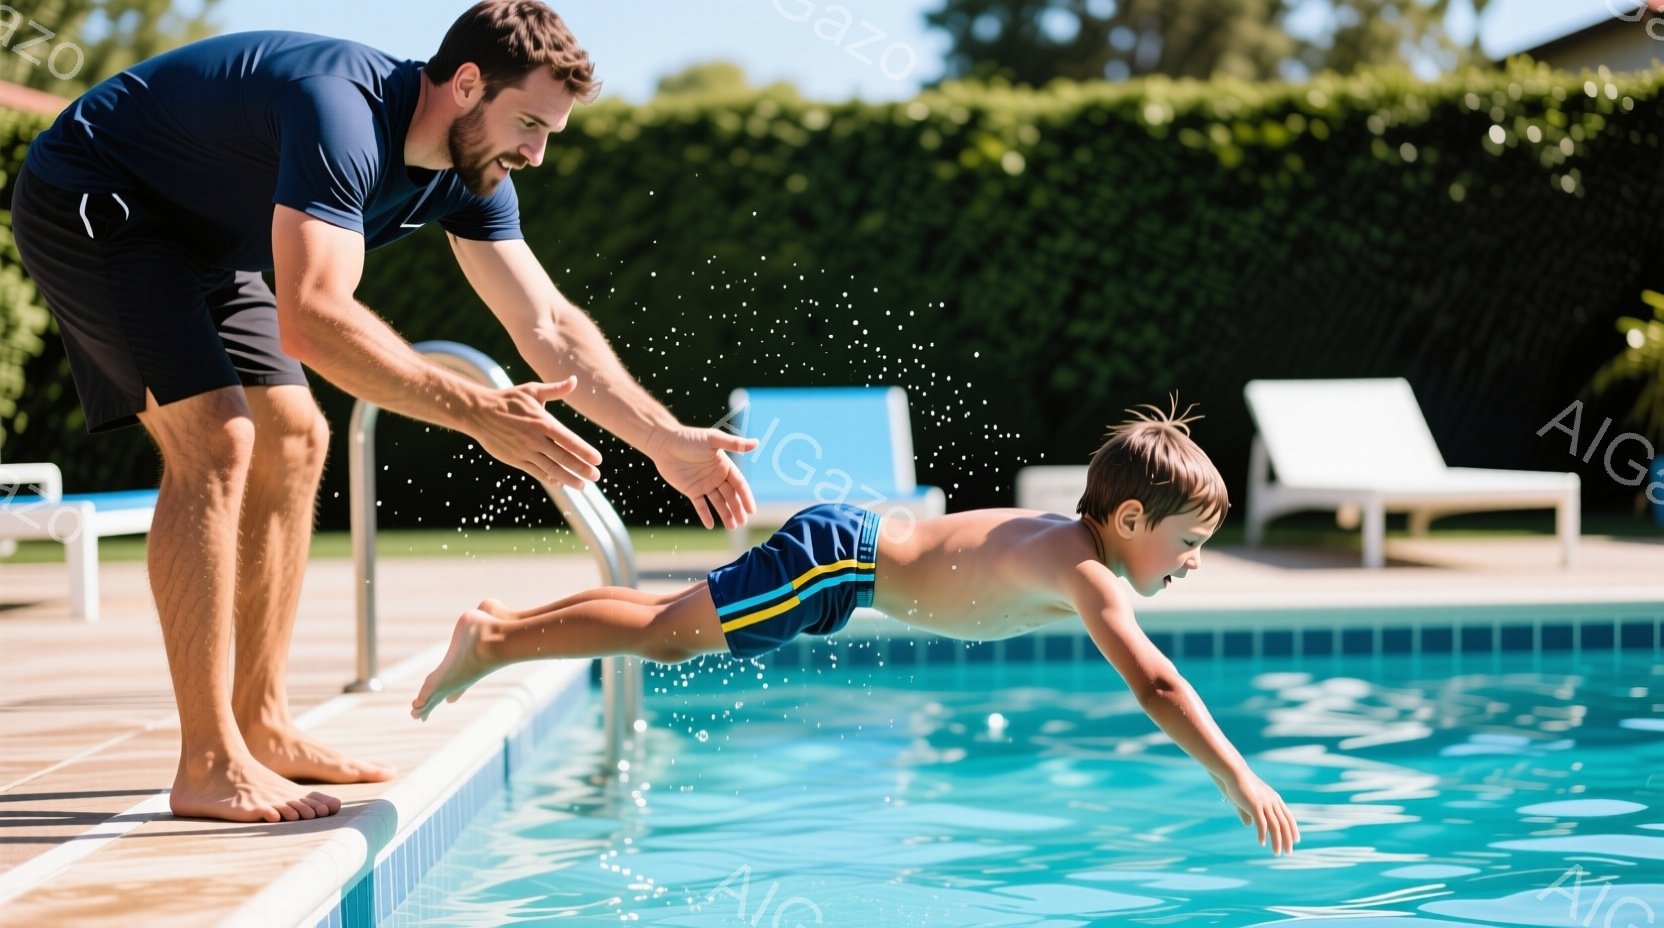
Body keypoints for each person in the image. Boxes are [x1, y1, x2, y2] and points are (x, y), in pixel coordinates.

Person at [10, 0, 757, 825]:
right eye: (528, 124)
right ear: (466, 84)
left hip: (207, 247)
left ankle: (263, 722)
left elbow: (545, 323)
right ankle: (209, 762)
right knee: (218, 439)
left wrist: (661, 438)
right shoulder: (342, 114)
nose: (536, 154)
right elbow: (312, 315)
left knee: (298, 438)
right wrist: (477, 411)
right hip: (98, 197)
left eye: (550, 133)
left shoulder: (472, 172)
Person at [412, 403, 1303, 855]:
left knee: (660, 619)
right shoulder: (1084, 570)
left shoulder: (1066, 541)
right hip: (839, 564)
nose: (1193, 563)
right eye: (1188, 544)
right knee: (661, 634)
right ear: (1132, 519)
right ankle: (494, 643)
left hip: (843, 553)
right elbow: (1156, 683)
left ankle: (502, 625)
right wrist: (1237, 775)